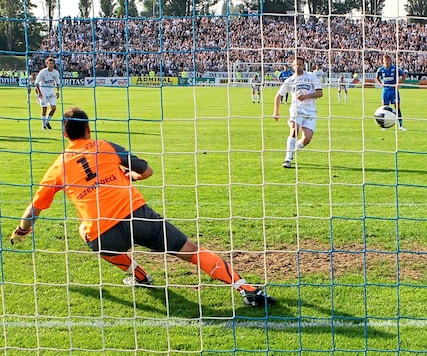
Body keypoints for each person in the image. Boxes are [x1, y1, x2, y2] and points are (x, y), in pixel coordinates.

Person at [9, 107, 275, 308]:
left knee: (84, 232)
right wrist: (130, 175)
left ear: (65, 134)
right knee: (193, 251)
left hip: (105, 234)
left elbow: (34, 209)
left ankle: (140, 276)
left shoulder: (57, 167)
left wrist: (22, 231)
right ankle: (246, 289)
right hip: (140, 217)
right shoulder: (105, 147)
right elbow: (146, 170)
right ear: (88, 129)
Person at [272, 57, 323, 169]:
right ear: (293, 66)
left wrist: (306, 96)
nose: (298, 66)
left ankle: (292, 150)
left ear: (304, 65)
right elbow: (278, 95)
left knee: (307, 139)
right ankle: (287, 158)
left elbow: (320, 93)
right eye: (296, 64)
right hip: (296, 109)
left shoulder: (311, 77)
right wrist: (276, 111)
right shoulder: (289, 80)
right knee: (294, 130)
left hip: (310, 111)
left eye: (300, 64)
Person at [375, 54, 407, 131]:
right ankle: (384, 126)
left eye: (387, 60)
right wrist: (381, 83)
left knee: (397, 107)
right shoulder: (380, 69)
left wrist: (399, 83)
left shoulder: (395, 69)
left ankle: (400, 125)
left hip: (394, 90)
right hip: (385, 90)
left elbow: (403, 76)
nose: (386, 62)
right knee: (384, 108)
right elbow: (377, 78)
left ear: (390, 61)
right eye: (384, 60)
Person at [35, 57, 60, 130]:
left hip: (51, 91)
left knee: (54, 108)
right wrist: (39, 93)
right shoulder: (43, 72)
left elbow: (57, 83)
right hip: (43, 91)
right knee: (44, 108)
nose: (51, 65)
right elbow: (36, 83)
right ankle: (43, 126)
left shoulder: (56, 72)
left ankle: (47, 122)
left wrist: (58, 91)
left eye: (52, 64)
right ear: (47, 64)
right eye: (49, 64)